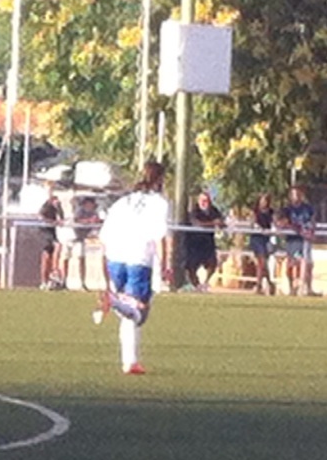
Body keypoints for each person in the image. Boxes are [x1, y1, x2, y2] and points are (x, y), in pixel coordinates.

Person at [92, 160, 171, 375]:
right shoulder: (159, 203)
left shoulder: (122, 202)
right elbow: (160, 237)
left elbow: (104, 238)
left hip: (115, 257)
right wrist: (165, 265)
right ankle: (113, 301)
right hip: (139, 258)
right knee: (139, 313)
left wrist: (104, 269)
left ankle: (130, 362)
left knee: (128, 315)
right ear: (160, 179)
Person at [183, 190, 225, 291]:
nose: (204, 203)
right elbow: (197, 223)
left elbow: (221, 222)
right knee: (191, 267)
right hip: (194, 243)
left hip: (208, 242)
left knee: (212, 263)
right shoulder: (194, 210)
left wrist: (219, 223)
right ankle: (196, 285)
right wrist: (213, 223)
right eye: (202, 200)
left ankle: (205, 283)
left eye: (206, 201)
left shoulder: (213, 210)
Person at [280, 184, 317, 296]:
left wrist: (310, 231)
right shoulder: (287, 209)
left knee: (306, 263)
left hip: (304, 240)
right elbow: (283, 222)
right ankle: (292, 287)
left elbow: (312, 221)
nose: (296, 196)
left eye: (298, 194)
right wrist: (297, 229)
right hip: (292, 240)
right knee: (291, 264)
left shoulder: (308, 208)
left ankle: (306, 287)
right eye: (294, 194)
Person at [65, 190, 101, 289]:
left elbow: (96, 222)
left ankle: (82, 282)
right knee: (67, 257)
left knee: (81, 258)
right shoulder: (80, 210)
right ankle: (63, 279)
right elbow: (77, 220)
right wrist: (89, 221)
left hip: (82, 238)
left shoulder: (94, 212)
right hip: (72, 236)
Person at [38, 183, 65, 289]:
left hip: (51, 230)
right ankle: (47, 278)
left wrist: (58, 208)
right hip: (44, 230)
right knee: (49, 252)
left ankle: (52, 275)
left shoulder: (55, 202)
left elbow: (61, 217)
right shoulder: (45, 203)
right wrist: (52, 222)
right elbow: (40, 216)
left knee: (51, 252)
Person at [249, 192, 277, 294]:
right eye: (262, 200)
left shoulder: (271, 212)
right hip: (257, 239)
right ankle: (261, 285)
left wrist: (273, 230)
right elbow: (253, 223)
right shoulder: (255, 212)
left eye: (265, 200)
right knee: (261, 262)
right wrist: (260, 229)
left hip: (266, 239)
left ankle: (266, 284)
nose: (263, 202)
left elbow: (274, 223)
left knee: (263, 263)